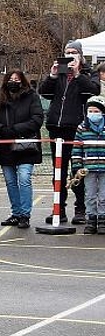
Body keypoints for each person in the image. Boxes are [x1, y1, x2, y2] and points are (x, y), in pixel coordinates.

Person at [38, 40, 98, 225]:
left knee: (77, 171)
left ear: (80, 55)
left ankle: (81, 209)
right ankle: (59, 208)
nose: (70, 55)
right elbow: (44, 92)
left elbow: (93, 92)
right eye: (67, 52)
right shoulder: (60, 74)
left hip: (78, 130)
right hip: (57, 128)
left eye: (74, 52)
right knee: (58, 171)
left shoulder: (89, 74)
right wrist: (53, 75)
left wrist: (78, 73)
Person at [0, 70, 44, 229]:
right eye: (10, 79)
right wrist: (2, 129)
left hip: (26, 146)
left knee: (24, 178)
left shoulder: (32, 97)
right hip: (5, 146)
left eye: (17, 79)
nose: (13, 82)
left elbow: (37, 119)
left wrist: (16, 129)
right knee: (10, 181)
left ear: (23, 81)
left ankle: (25, 215)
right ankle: (16, 213)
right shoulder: (1, 99)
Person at [72, 96, 105, 234]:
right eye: (90, 111)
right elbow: (77, 148)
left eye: (95, 111)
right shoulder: (82, 127)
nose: (92, 114)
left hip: (104, 168)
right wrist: (77, 165)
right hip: (88, 168)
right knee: (90, 195)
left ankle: (103, 220)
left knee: (104, 196)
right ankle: (91, 220)